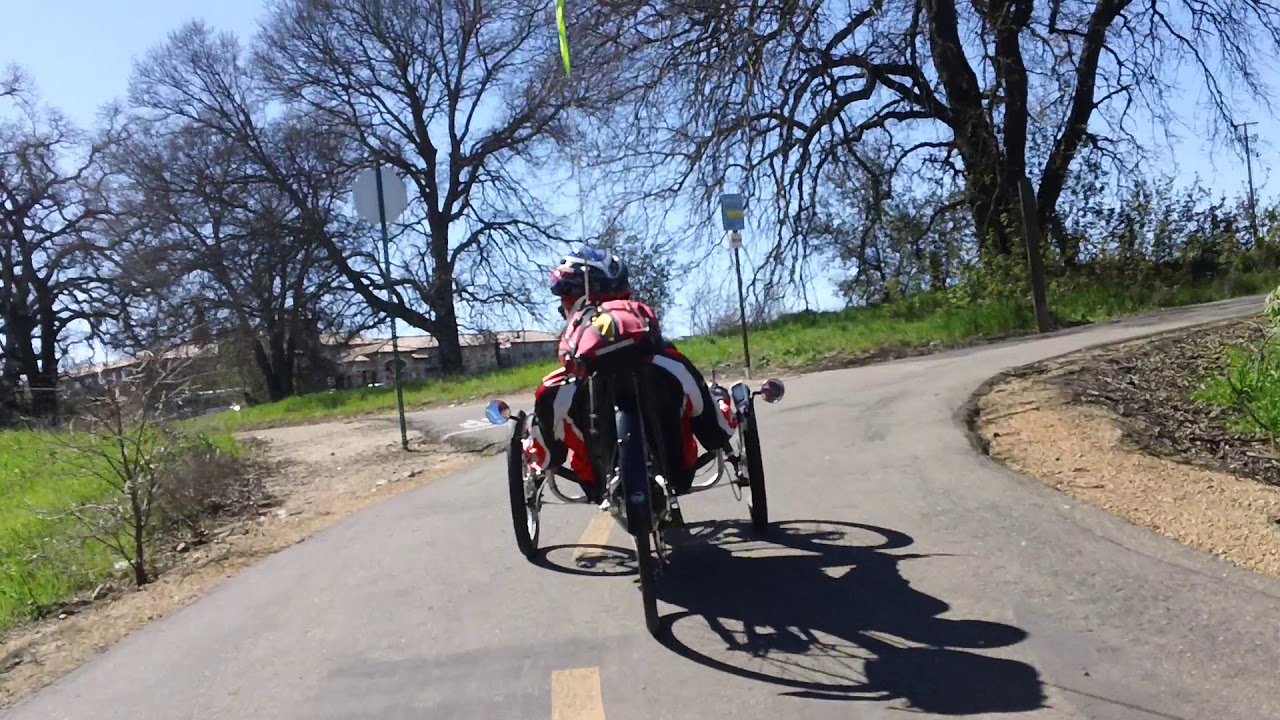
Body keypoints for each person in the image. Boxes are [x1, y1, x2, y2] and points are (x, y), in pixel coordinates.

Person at [523, 246, 736, 512]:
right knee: (699, 400)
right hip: (678, 472)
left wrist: (540, 456)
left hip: (595, 483)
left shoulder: (560, 387)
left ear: (572, 300)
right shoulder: (670, 363)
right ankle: (724, 404)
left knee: (547, 400)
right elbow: (712, 431)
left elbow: (549, 457)